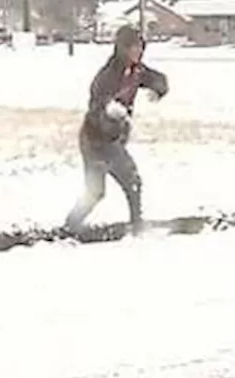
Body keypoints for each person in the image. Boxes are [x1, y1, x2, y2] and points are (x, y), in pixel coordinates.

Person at [65, 25, 169, 234]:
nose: (138, 51)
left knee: (111, 188)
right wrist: (109, 112)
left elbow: (158, 79)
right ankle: (135, 228)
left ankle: (71, 227)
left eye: (140, 47)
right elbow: (96, 103)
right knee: (121, 184)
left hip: (112, 139)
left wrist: (159, 89)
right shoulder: (107, 75)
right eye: (133, 47)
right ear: (122, 49)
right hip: (96, 139)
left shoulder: (137, 70)